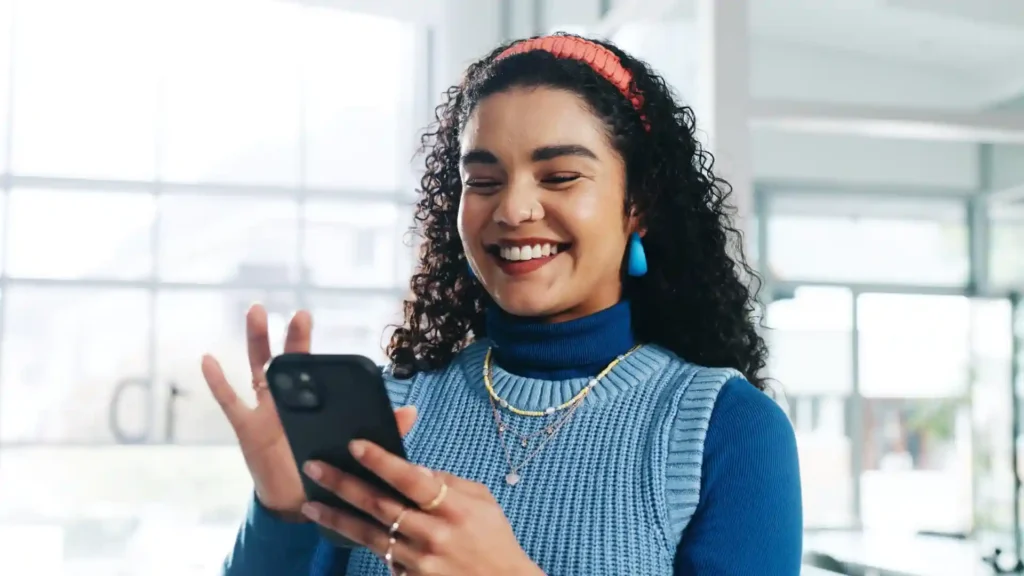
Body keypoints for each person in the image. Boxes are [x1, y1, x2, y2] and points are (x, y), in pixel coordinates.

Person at [205, 33, 802, 576]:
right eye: (484, 182)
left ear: (638, 203)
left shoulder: (728, 430)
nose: (513, 210)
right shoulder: (390, 411)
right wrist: (280, 516)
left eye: (560, 177)